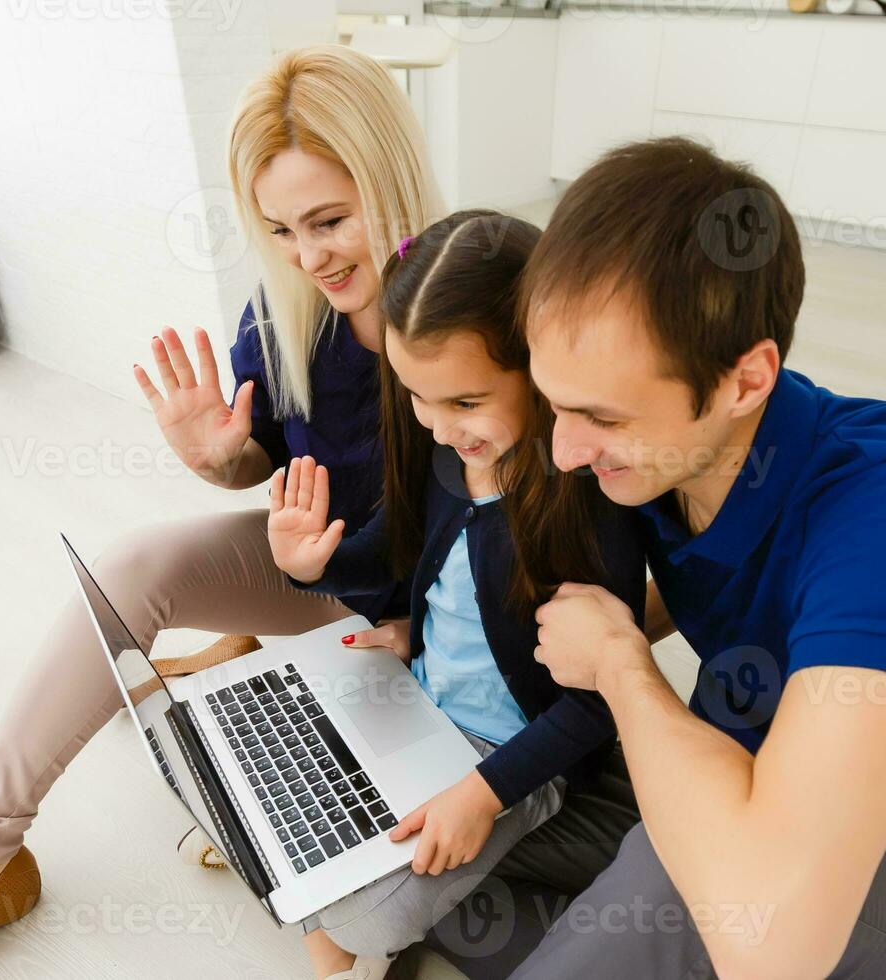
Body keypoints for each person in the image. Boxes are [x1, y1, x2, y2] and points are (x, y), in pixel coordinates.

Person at [0, 44, 443, 980]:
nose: (310, 255)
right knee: (131, 569)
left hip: (444, 613)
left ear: (395, 186)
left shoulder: (474, 299)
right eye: (281, 230)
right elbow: (268, 468)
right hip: (329, 574)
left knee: (343, 884)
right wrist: (220, 460)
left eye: (331, 220)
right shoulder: (289, 310)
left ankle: (248, 683)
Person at [518, 136, 886, 978]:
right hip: (726, 752)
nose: (565, 452)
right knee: (467, 808)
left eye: (605, 418)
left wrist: (626, 667)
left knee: (681, 889)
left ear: (746, 381)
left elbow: (777, 946)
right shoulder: (661, 458)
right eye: (556, 405)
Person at [267, 210, 646, 980]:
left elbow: (600, 700)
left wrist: (484, 792)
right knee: (281, 801)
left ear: (540, 370)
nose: (439, 428)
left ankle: (331, 930)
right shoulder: (447, 460)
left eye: (466, 403)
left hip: (508, 758)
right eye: (417, 398)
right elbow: (395, 559)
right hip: (418, 708)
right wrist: (313, 566)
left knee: (361, 919)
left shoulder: (588, 506)